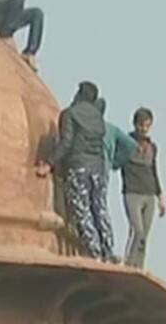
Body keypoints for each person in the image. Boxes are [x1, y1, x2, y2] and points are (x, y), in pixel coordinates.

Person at [37, 81, 118, 262]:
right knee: (100, 208)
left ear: (80, 94)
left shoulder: (70, 114)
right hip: (98, 168)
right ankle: (108, 250)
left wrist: (49, 163)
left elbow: (66, 143)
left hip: (78, 166)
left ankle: (94, 251)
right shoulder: (98, 118)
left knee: (82, 210)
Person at [121, 107, 166, 269]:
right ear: (135, 125)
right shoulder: (126, 142)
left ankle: (139, 266)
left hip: (149, 192)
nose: (144, 129)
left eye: (147, 126)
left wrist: (160, 195)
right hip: (132, 192)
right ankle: (128, 263)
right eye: (141, 125)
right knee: (137, 230)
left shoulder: (152, 147)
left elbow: (154, 170)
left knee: (144, 235)